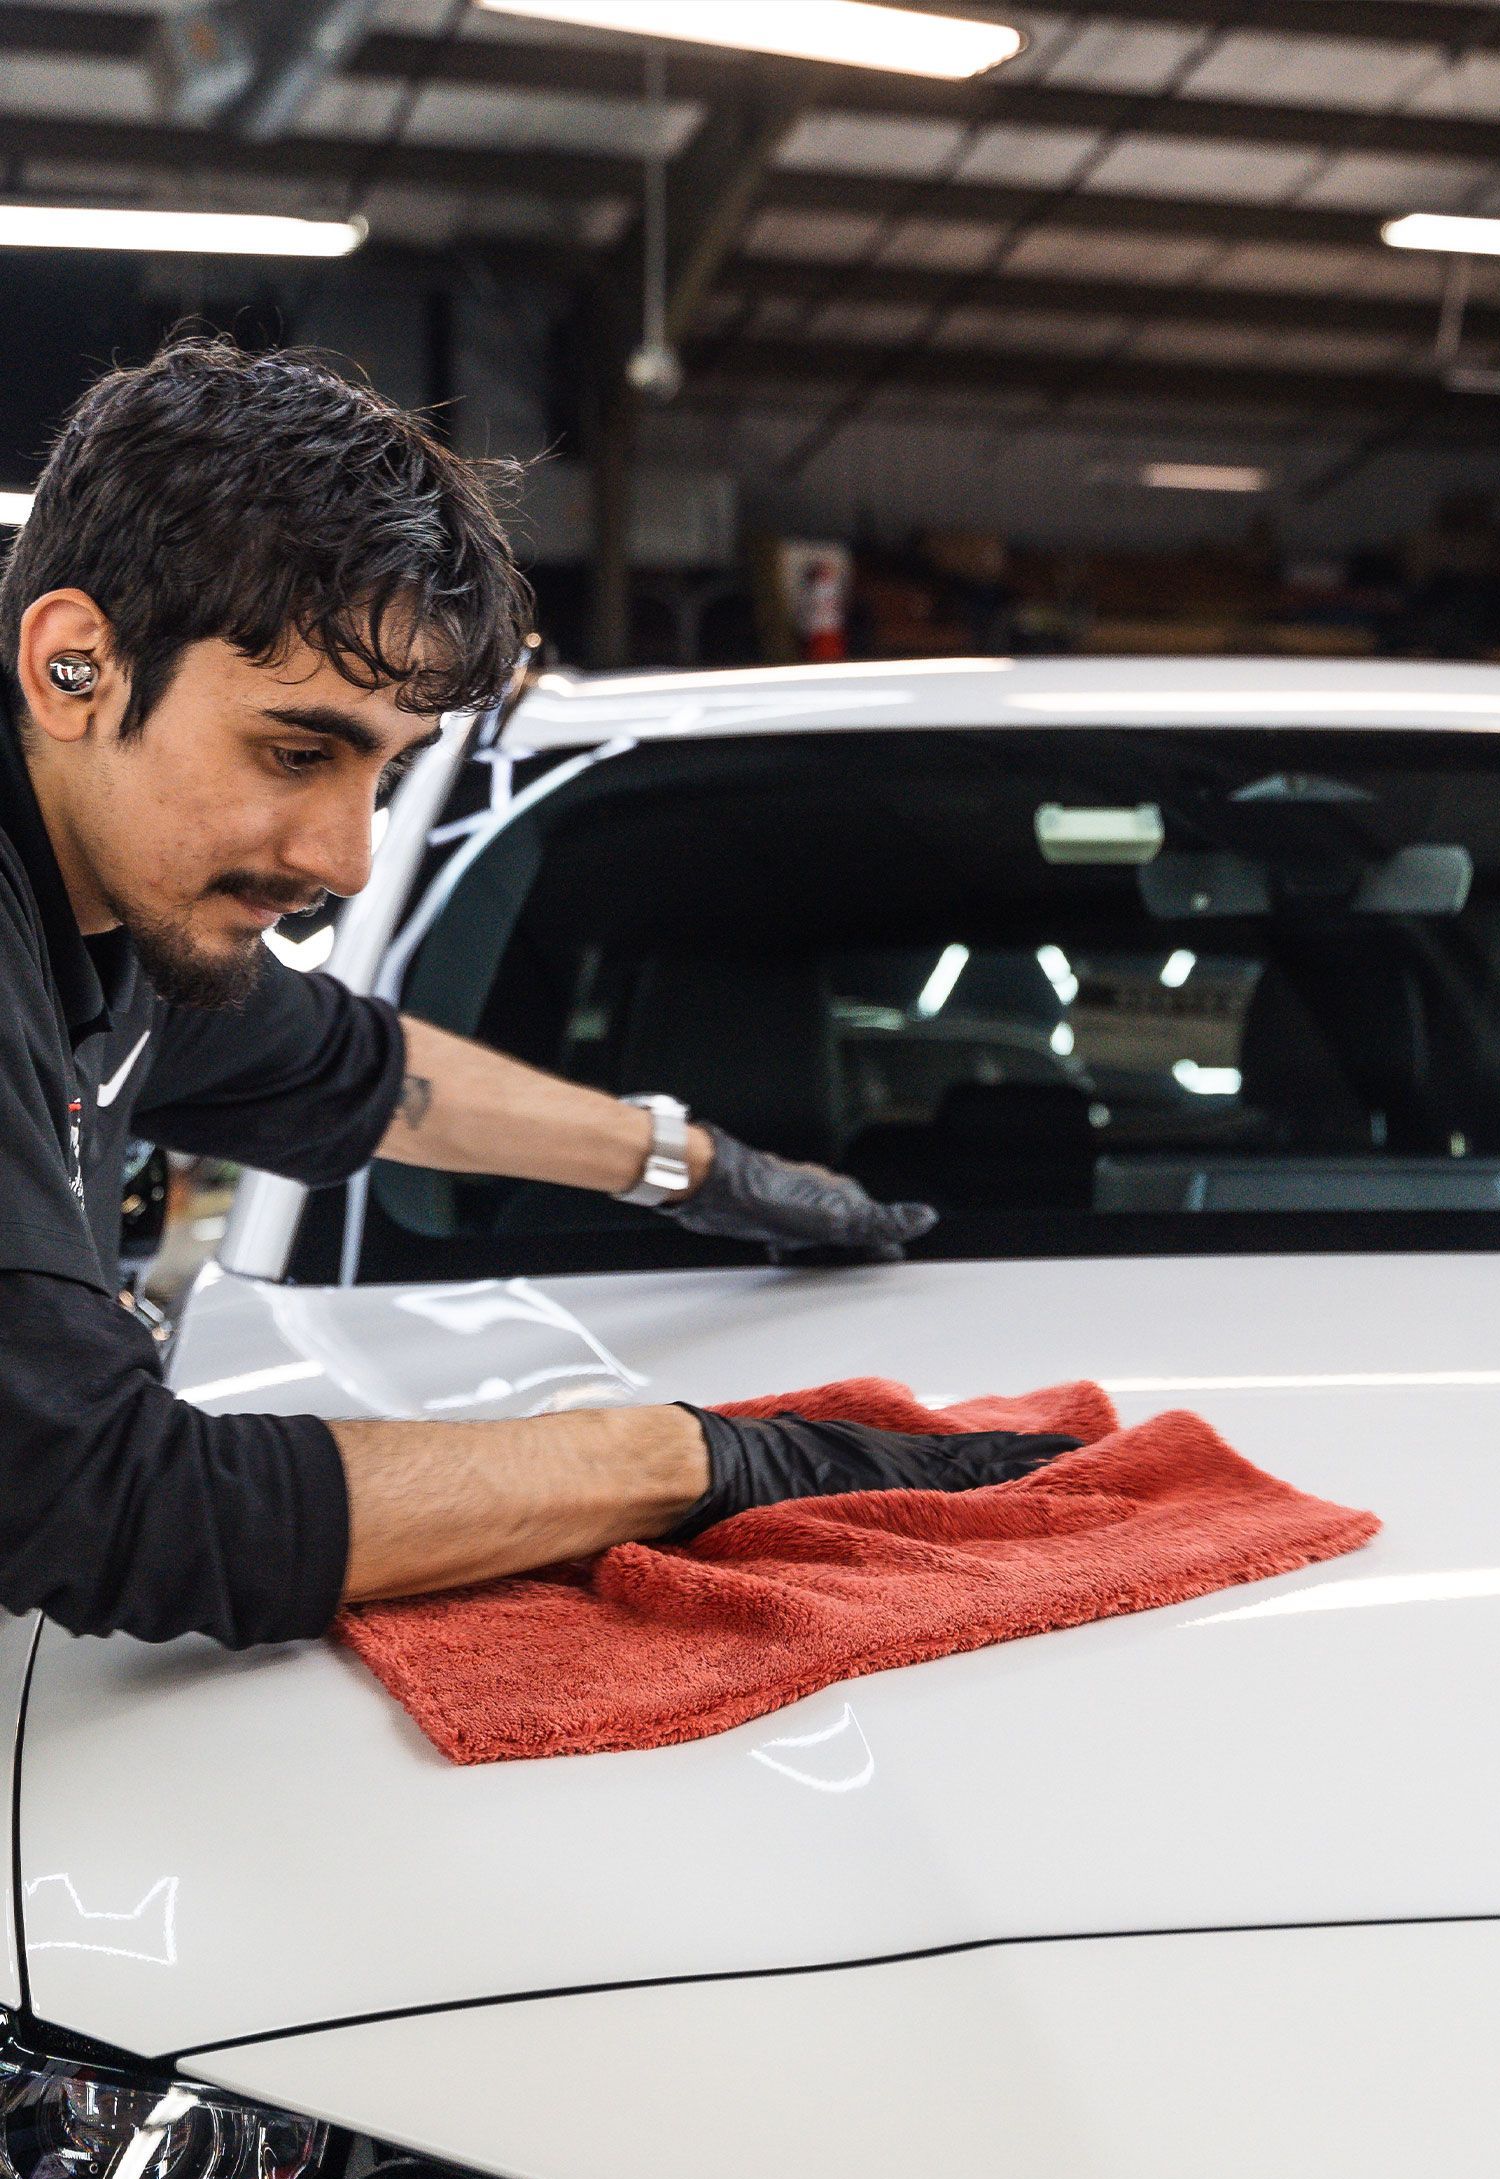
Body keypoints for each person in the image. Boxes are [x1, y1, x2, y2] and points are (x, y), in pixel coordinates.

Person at [0, 336, 1074, 1650]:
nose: (345, 859)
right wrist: (692, 1462)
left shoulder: (128, 913)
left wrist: (701, 1167)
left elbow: (361, 1076)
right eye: (294, 751)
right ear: (74, 666)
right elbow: (105, 1502)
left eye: (382, 776)